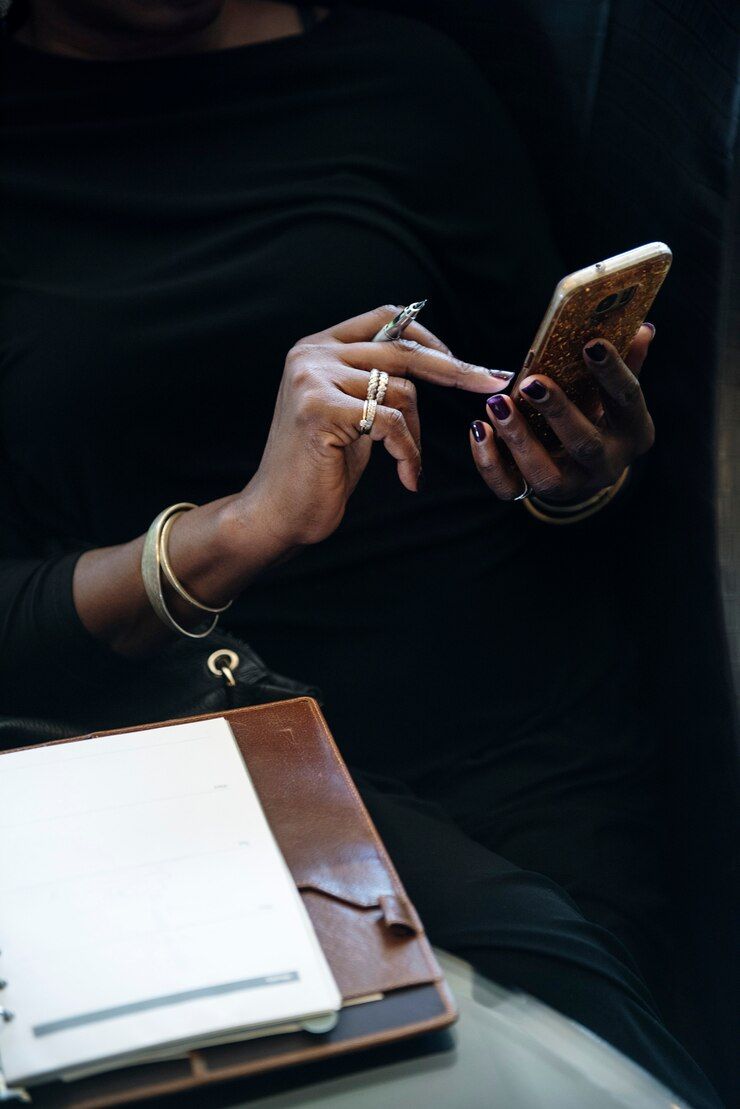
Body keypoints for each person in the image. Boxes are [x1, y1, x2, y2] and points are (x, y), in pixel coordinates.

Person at [0, 2, 723, 1104]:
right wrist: (236, 528)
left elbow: (518, 419)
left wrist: (575, 465)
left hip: (516, 750)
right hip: (183, 776)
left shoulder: (400, 79)